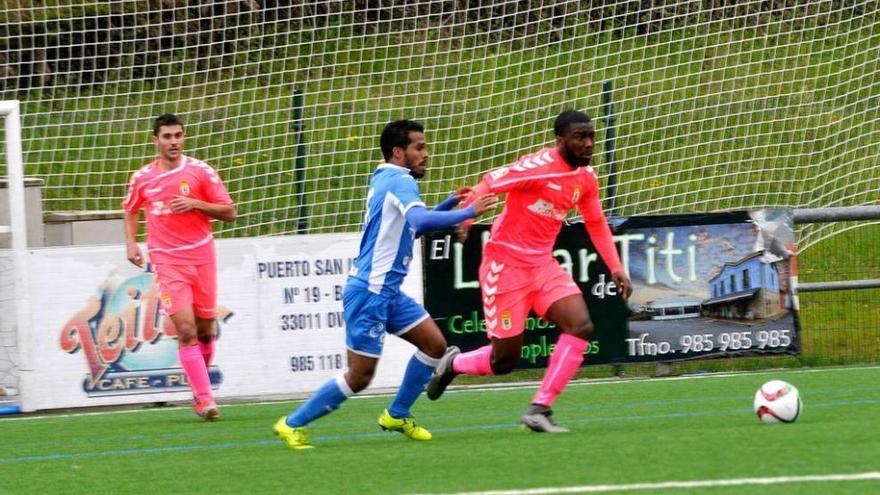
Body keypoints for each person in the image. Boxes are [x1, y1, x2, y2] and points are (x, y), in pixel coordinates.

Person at [273, 119, 497, 449]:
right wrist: (469, 211)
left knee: (435, 346)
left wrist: (450, 204)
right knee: (360, 376)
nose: (426, 154)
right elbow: (420, 220)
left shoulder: (385, 178)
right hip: (370, 293)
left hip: (386, 293)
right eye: (418, 147)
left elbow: (412, 229)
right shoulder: (401, 181)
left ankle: (397, 413)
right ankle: (291, 424)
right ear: (398, 151)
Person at [426, 110, 632, 432]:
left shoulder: (586, 178)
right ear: (560, 140)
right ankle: (454, 363)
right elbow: (489, 183)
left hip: (542, 266)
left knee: (580, 325)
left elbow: (595, 221)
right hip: (504, 266)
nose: (589, 144)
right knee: (504, 361)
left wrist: (616, 267)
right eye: (580, 137)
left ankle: (540, 408)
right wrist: (466, 217)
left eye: (591, 136)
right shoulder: (536, 167)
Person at [123, 113, 237, 421]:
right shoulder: (142, 178)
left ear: (183, 138)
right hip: (167, 261)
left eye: (178, 136)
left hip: (202, 259)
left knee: (205, 330)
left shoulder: (201, 172)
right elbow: (131, 208)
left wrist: (197, 204)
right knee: (185, 330)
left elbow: (229, 212)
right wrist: (132, 243)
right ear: (155, 140)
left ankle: (200, 383)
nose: (173, 142)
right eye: (167, 137)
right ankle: (204, 398)